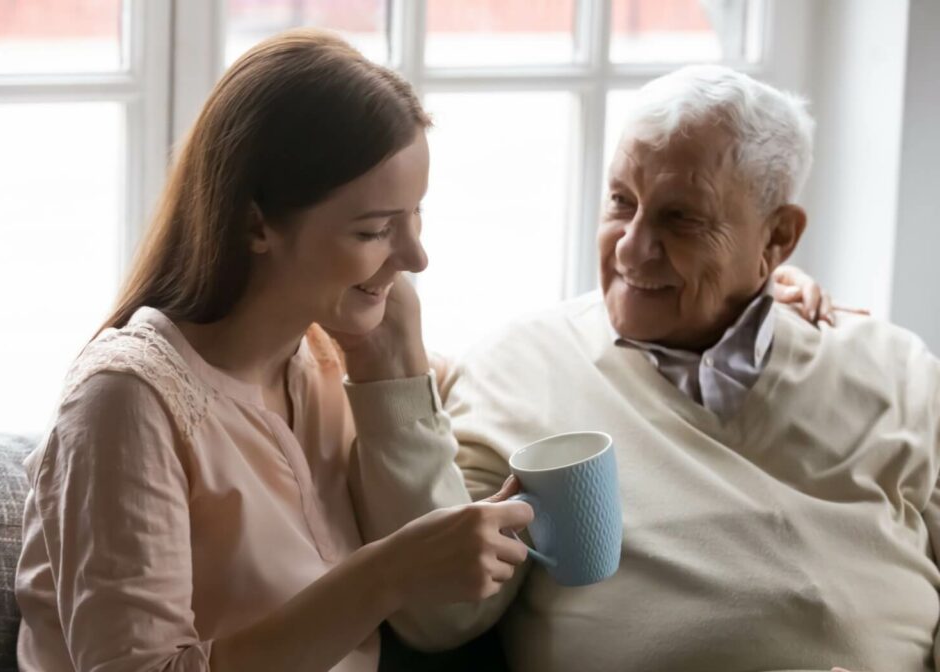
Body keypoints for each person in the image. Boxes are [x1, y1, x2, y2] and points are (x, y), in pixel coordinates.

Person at [345, 65, 940, 672]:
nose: (630, 247)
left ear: (778, 238)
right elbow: (437, 613)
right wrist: (390, 372)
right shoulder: (520, 367)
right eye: (621, 202)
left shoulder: (899, 369)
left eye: (680, 218)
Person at [13, 29, 536, 672]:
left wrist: (394, 371)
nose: (415, 258)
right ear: (255, 224)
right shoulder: (126, 403)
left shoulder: (326, 358)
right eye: (374, 229)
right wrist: (387, 572)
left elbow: (443, 619)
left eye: (415, 217)